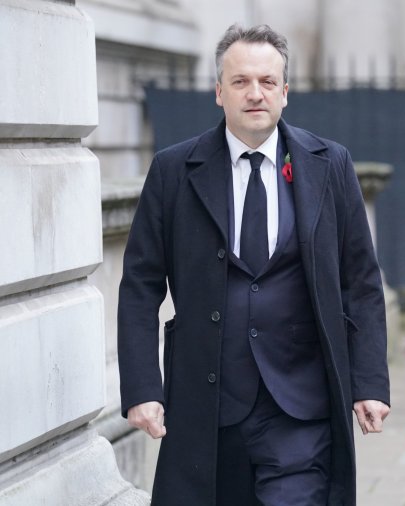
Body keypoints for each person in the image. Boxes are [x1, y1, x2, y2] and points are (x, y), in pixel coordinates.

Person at [117, 24, 390, 506]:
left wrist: (369, 382)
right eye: (240, 81)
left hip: (301, 405)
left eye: (267, 82)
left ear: (285, 92)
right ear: (218, 92)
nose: (255, 93)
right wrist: (143, 387)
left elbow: (361, 282)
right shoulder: (173, 171)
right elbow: (140, 285)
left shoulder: (331, 165)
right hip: (207, 404)